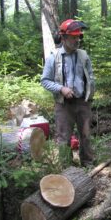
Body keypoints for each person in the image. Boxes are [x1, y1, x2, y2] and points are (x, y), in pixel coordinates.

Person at [41, 19, 95, 167]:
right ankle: (66, 167)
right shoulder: (54, 57)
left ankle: (87, 163)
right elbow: (44, 80)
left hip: (83, 102)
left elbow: (90, 77)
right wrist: (61, 89)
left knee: (86, 135)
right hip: (64, 105)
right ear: (63, 38)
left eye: (78, 37)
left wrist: (90, 96)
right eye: (73, 37)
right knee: (63, 137)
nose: (77, 40)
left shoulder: (83, 55)